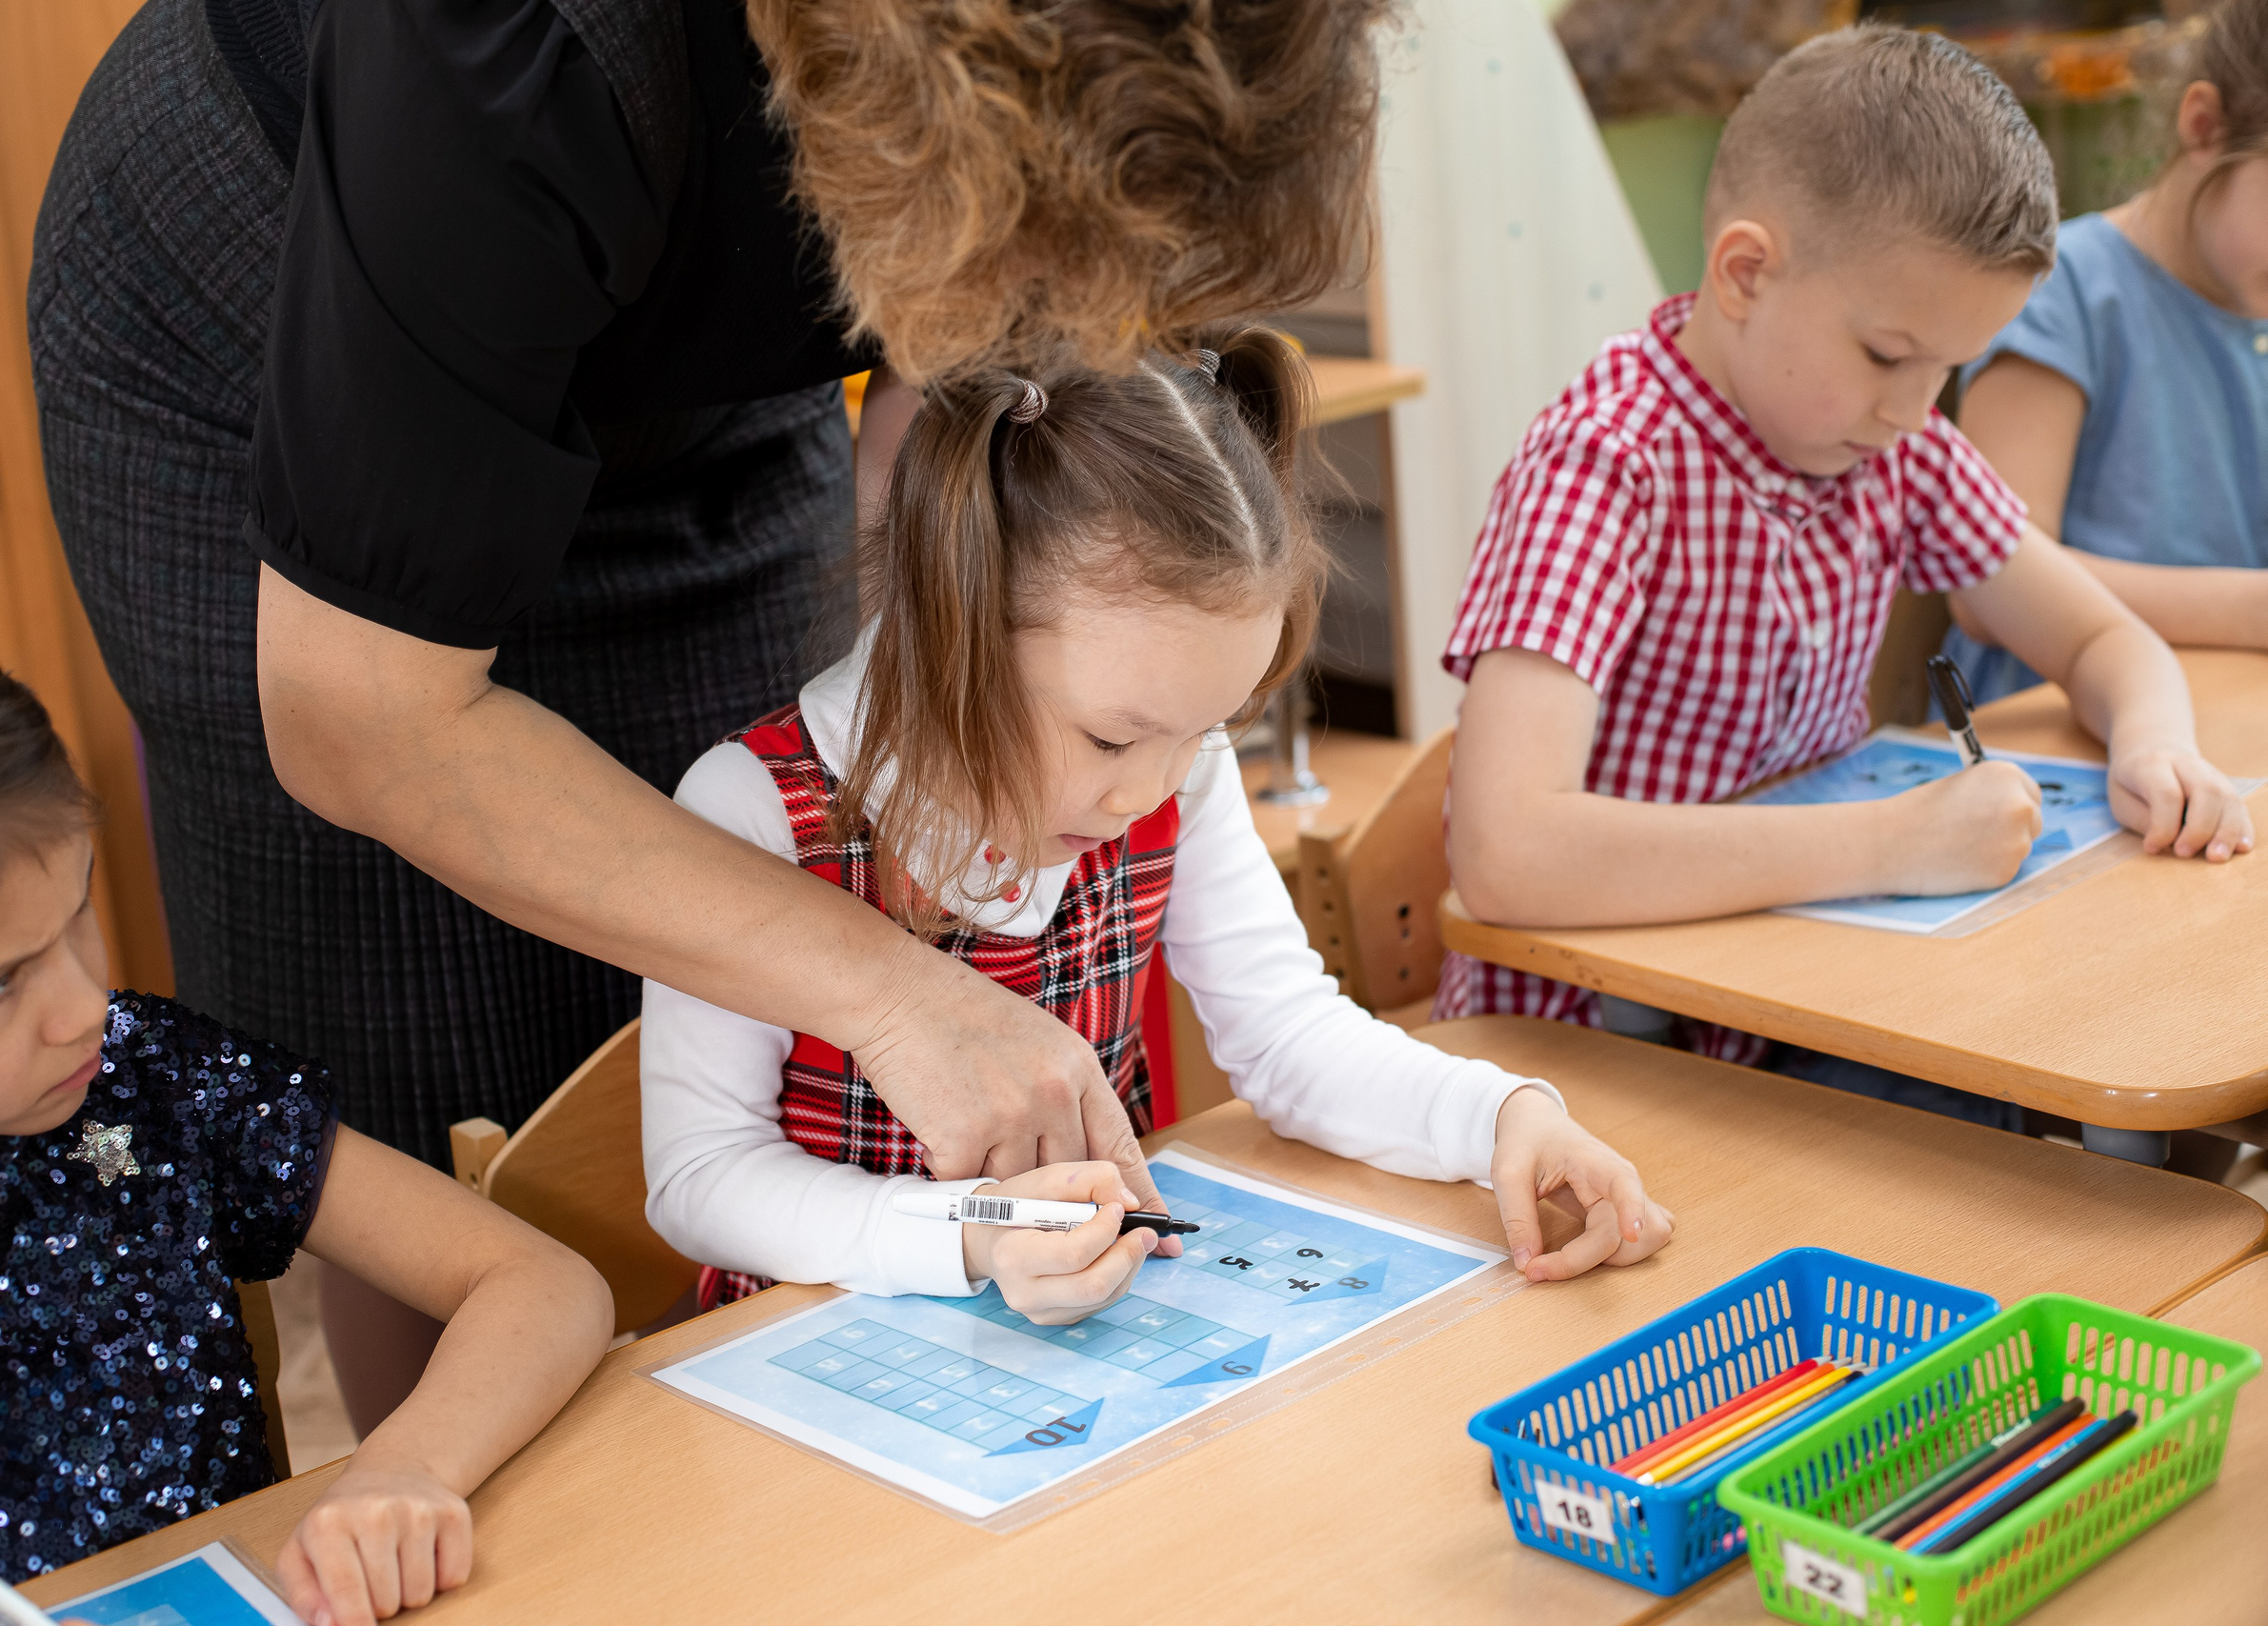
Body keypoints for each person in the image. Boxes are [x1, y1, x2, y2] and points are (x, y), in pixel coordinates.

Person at [29, 0, 1395, 1426]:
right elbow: (363, 721)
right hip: (270, 328)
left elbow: (995, 348)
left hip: (694, 338)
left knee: (689, 993)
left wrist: (948, 552)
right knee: (434, 1067)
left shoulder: (1025, 118)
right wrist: (893, 988)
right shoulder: (506, 44)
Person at [639, 331, 1675, 1315]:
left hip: (1091, 1352)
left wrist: (1498, 1117)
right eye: (1107, 741)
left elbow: (1287, 1039)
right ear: (948, 627)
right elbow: (699, 1180)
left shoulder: (1173, 761)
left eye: (1203, 732)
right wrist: (973, 1235)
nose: (1150, 791)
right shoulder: (755, 812)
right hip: (811, 1382)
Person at [1432, 26, 2254, 1127]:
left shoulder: (1888, 447)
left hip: (1793, 1011)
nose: (1916, 411)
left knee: (2062, 1117)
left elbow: (2105, 640)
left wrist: (2153, 742)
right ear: (1743, 273)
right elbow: (1505, 853)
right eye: (1884, 355)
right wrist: (1891, 843)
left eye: (1946, 370)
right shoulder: (1607, 463)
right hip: (1590, 1067)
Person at [0, 610, 612, 1626]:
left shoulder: (146, 1078)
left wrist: (404, 1468)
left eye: (77, 911)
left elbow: (542, 1284)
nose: (80, 1009)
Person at [1941, 0, 2268, 702]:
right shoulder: (2063, 295)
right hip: (2055, 729)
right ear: (2205, 126)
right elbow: (1986, 584)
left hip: (2225, 709)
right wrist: (2252, 608)